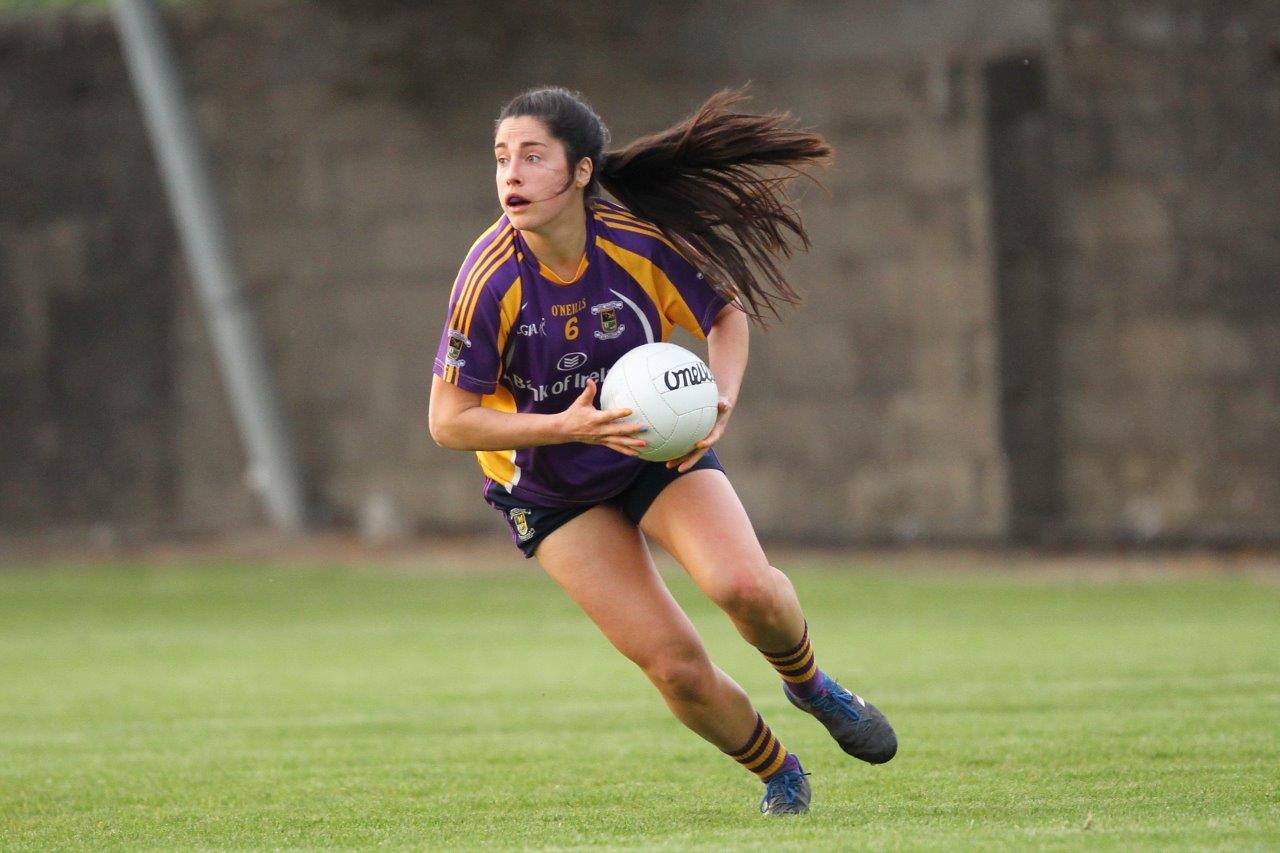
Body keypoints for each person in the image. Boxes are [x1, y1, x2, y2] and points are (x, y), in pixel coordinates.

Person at [428, 87, 896, 816]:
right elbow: (449, 421)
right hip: (551, 490)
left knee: (747, 588)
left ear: (581, 171)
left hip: (652, 452)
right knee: (675, 667)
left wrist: (723, 398)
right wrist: (566, 428)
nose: (510, 174)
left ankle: (812, 686)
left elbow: (724, 314)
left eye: (531, 155)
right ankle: (781, 772)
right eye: (500, 158)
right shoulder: (490, 275)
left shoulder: (635, 241)